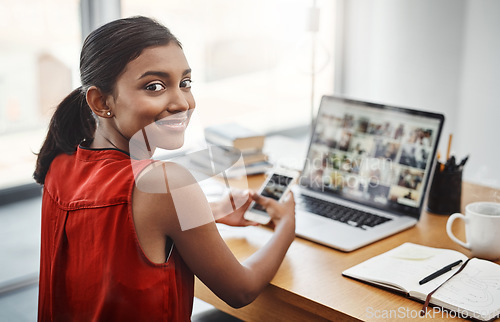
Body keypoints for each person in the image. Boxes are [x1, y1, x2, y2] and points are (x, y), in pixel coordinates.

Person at [33, 16, 296, 321]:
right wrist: (287, 228)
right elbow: (241, 291)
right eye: (154, 86)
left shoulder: (60, 163)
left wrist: (209, 212)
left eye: (185, 83)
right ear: (101, 101)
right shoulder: (165, 182)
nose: (182, 102)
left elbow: (110, 229)